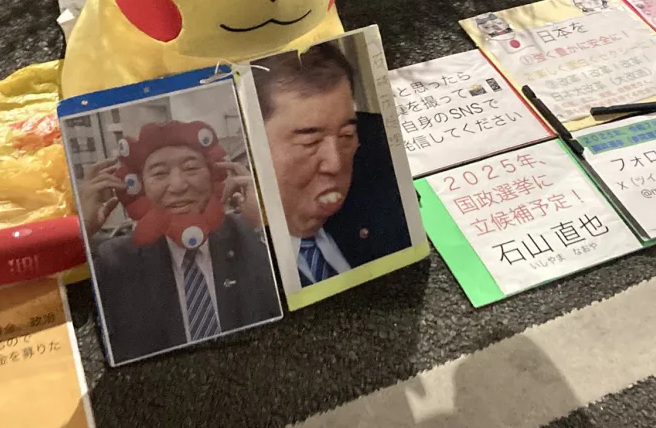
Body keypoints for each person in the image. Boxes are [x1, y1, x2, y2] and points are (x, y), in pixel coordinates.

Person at [76, 120, 280, 364]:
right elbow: (71, 321)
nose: (178, 186)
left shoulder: (251, 237)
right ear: (140, 186)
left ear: (216, 175)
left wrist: (265, 222)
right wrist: (81, 230)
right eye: (160, 173)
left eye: (191, 168)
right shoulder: (115, 261)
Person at [253, 42, 412, 287]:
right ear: (252, 145)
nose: (335, 163)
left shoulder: (380, 173)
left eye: (347, 135)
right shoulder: (237, 260)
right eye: (310, 141)